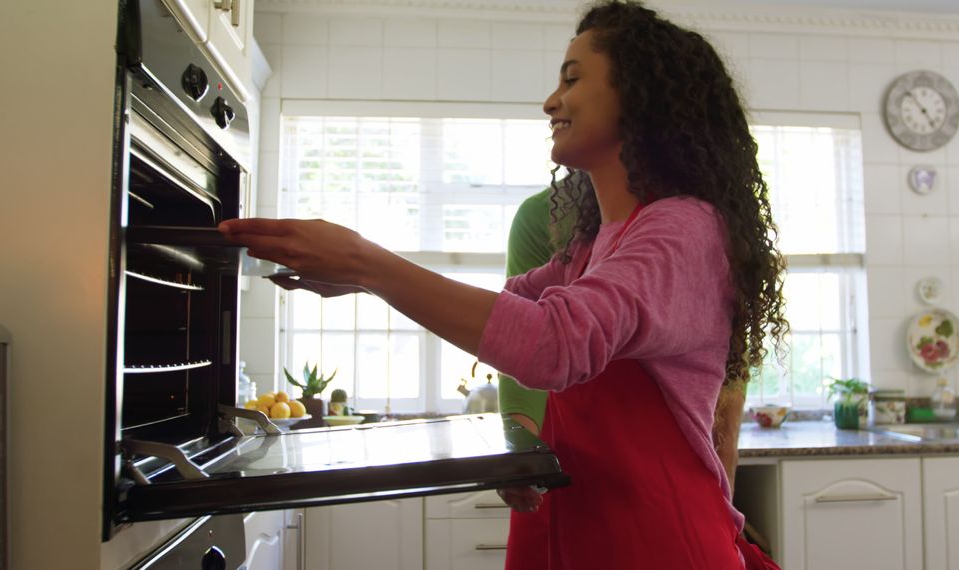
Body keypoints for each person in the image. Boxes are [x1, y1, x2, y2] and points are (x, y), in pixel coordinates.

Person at [219, 1, 786, 567]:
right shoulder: (595, 246)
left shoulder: (685, 228)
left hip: (660, 542)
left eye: (572, 78)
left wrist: (367, 264)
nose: (550, 101)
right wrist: (367, 278)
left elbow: (554, 343)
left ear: (637, 94)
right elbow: (514, 309)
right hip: (583, 525)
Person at [497, 183, 751, 568]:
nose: (550, 117)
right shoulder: (556, 225)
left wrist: (723, 503)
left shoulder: (687, 225)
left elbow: (545, 337)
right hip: (564, 479)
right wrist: (518, 449)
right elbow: (515, 321)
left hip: (658, 505)